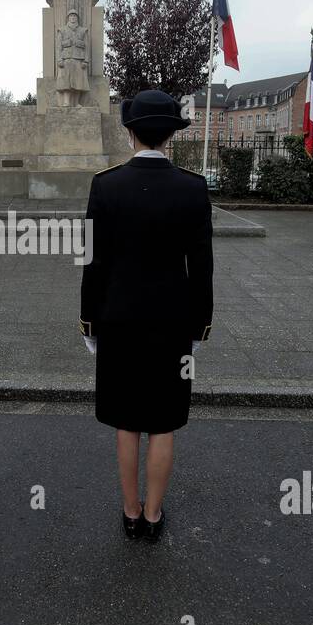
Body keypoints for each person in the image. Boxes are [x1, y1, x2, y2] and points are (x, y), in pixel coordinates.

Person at [80, 89, 213, 543]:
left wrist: (89, 322)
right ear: (171, 135)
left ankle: (130, 510)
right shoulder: (193, 188)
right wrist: (200, 326)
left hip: (118, 319)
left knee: (127, 420)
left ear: (131, 131)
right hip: (172, 321)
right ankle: (154, 516)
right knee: (163, 421)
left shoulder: (106, 184)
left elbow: (92, 262)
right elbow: (202, 267)